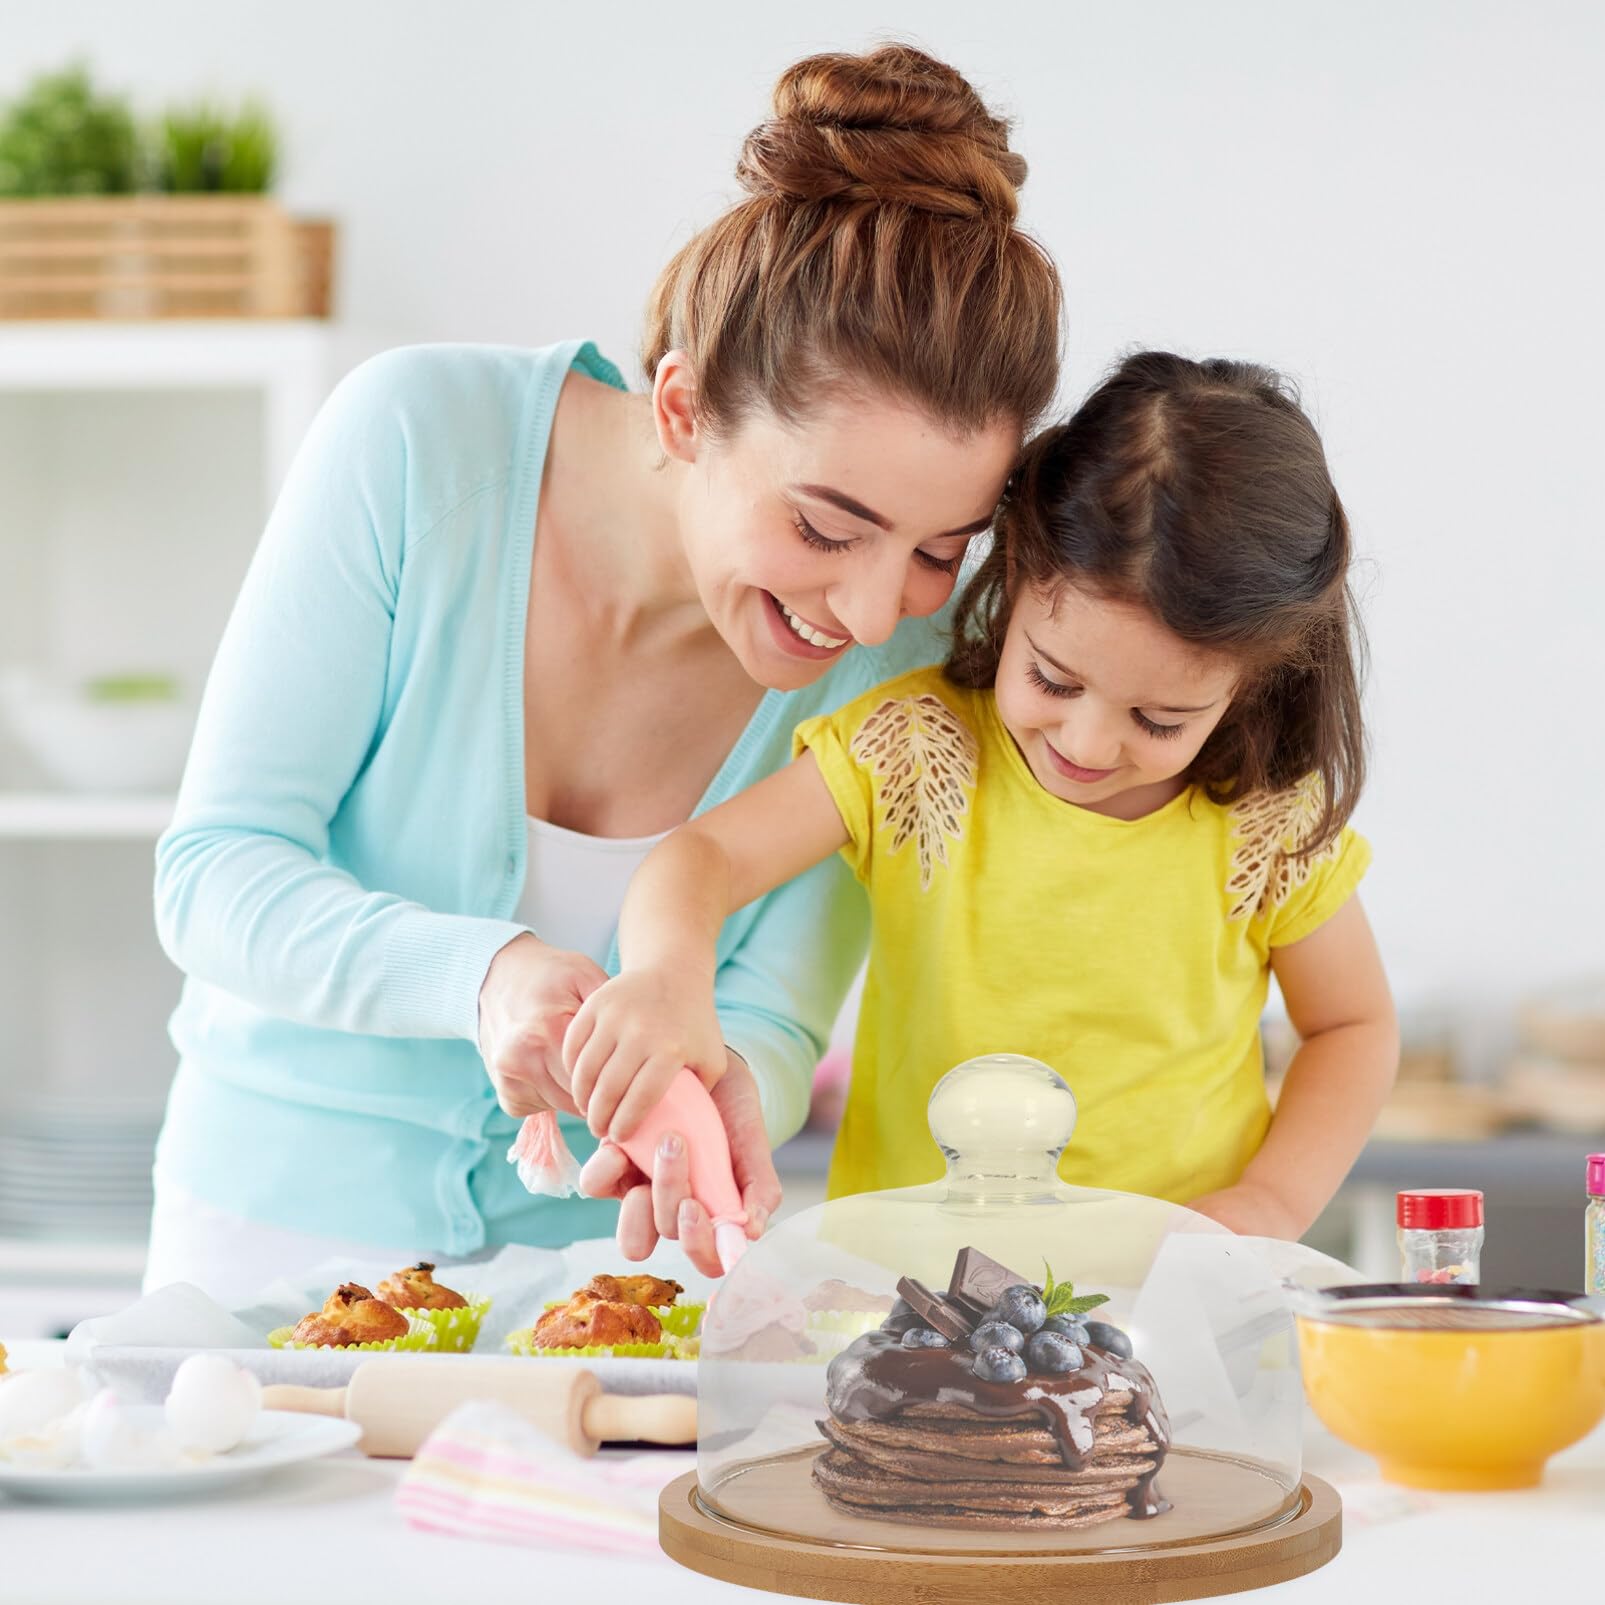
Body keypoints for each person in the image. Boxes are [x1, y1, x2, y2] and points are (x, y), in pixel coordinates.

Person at [145, 44, 1062, 1299]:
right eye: (824, 528)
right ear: (683, 410)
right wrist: (481, 976)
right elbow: (214, 875)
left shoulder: (906, 662)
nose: (865, 608)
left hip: (605, 1286)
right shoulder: (418, 446)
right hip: (271, 1231)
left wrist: (715, 1078)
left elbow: (779, 1012)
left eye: (936, 551)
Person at [566, 352, 1399, 1240]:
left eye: (1158, 719)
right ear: (1013, 578)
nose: (1085, 743)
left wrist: (1272, 1200)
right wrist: (666, 976)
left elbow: (1351, 1024)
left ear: (1252, 683)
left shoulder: (1262, 824)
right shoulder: (917, 750)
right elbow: (701, 856)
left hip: (1170, 1304)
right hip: (913, 1290)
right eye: (1051, 676)